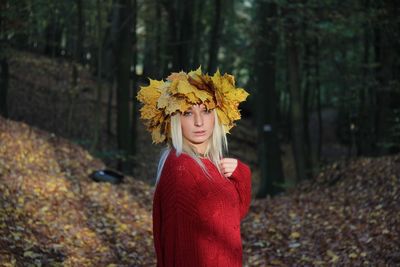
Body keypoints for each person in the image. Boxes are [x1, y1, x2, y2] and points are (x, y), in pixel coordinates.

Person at [137, 67, 252, 267]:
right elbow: (179, 248)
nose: (199, 122)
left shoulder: (207, 163)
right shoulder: (181, 169)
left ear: (216, 116)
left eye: (206, 111)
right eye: (188, 113)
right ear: (175, 119)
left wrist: (241, 174)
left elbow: (231, 217)